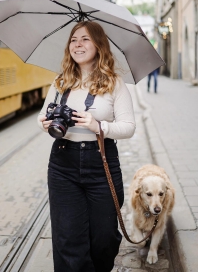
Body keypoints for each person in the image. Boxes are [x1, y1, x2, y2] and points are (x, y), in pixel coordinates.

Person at [37, 21, 136, 272]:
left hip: (101, 161)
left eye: (85, 39)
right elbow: (42, 116)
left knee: (104, 240)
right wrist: (44, 122)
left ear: (99, 45)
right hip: (63, 164)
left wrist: (99, 126)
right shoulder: (60, 82)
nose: (77, 45)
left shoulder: (115, 83)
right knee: (68, 240)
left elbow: (129, 126)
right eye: (73, 40)